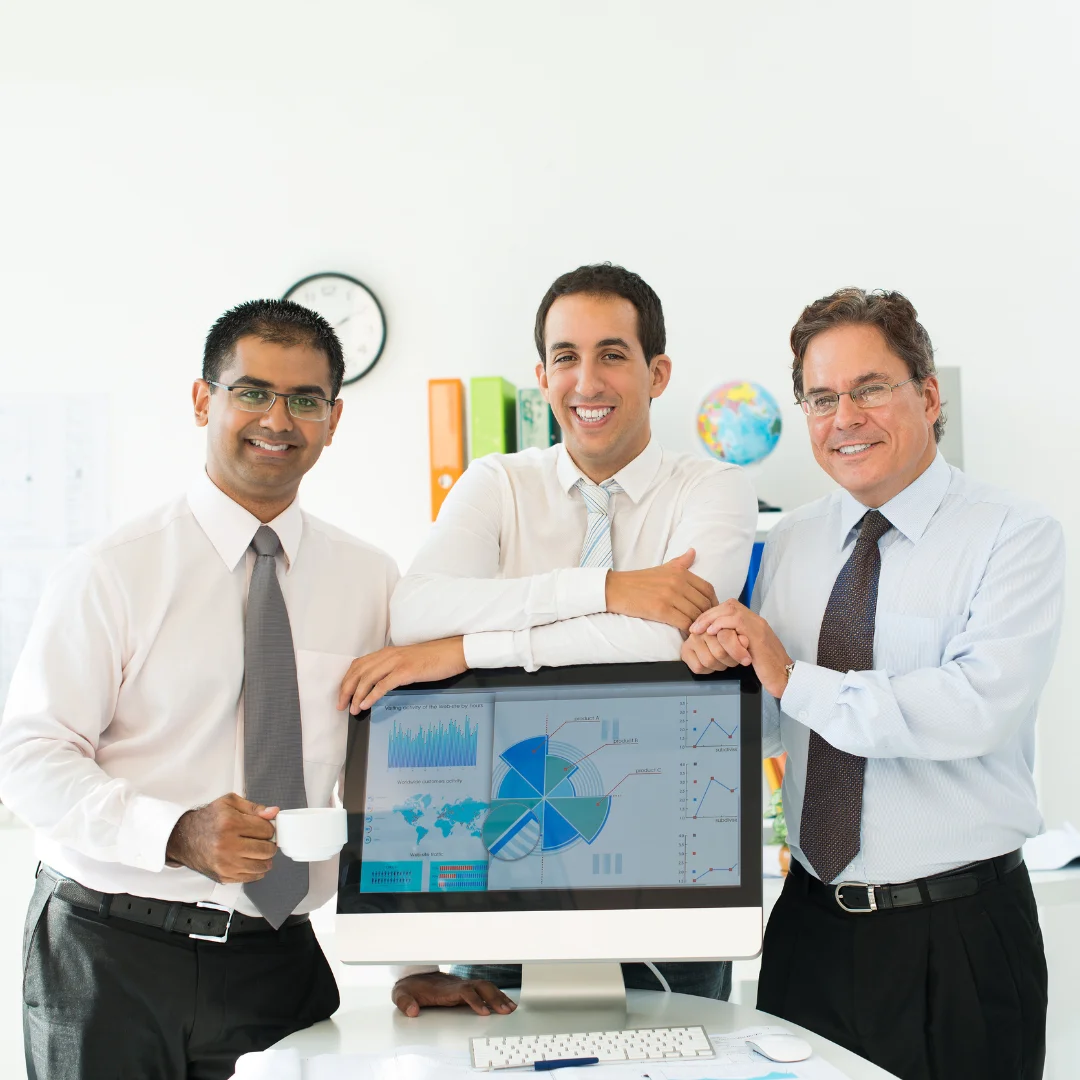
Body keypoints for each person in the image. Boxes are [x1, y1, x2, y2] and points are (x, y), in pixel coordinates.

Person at [338, 262, 758, 1017]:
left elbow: (675, 646)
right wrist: (606, 590)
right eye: (565, 357)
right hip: (508, 855)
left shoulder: (714, 489)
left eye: (612, 354)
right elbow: (417, 612)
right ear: (541, 375)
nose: (586, 381)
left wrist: (464, 651)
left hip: (671, 865)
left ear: (657, 372)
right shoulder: (496, 483)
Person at [0, 300, 400, 1080]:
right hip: (108, 955)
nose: (277, 419)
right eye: (251, 392)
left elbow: (390, 776)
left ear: (334, 417)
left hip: (277, 956)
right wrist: (174, 831)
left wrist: (414, 960)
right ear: (201, 401)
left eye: (305, 400)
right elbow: (29, 756)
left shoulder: (369, 580)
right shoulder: (113, 571)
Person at [686, 287, 1063, 1080]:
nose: (844, 416)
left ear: (928, 395)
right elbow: (776, 722)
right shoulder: (790, 539)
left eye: (869, 388)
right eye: (821, 398)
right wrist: (723, 678)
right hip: (809, 929)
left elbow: (974, 709)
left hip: (958, 936)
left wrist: (788, 675)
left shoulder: (1015, 535)